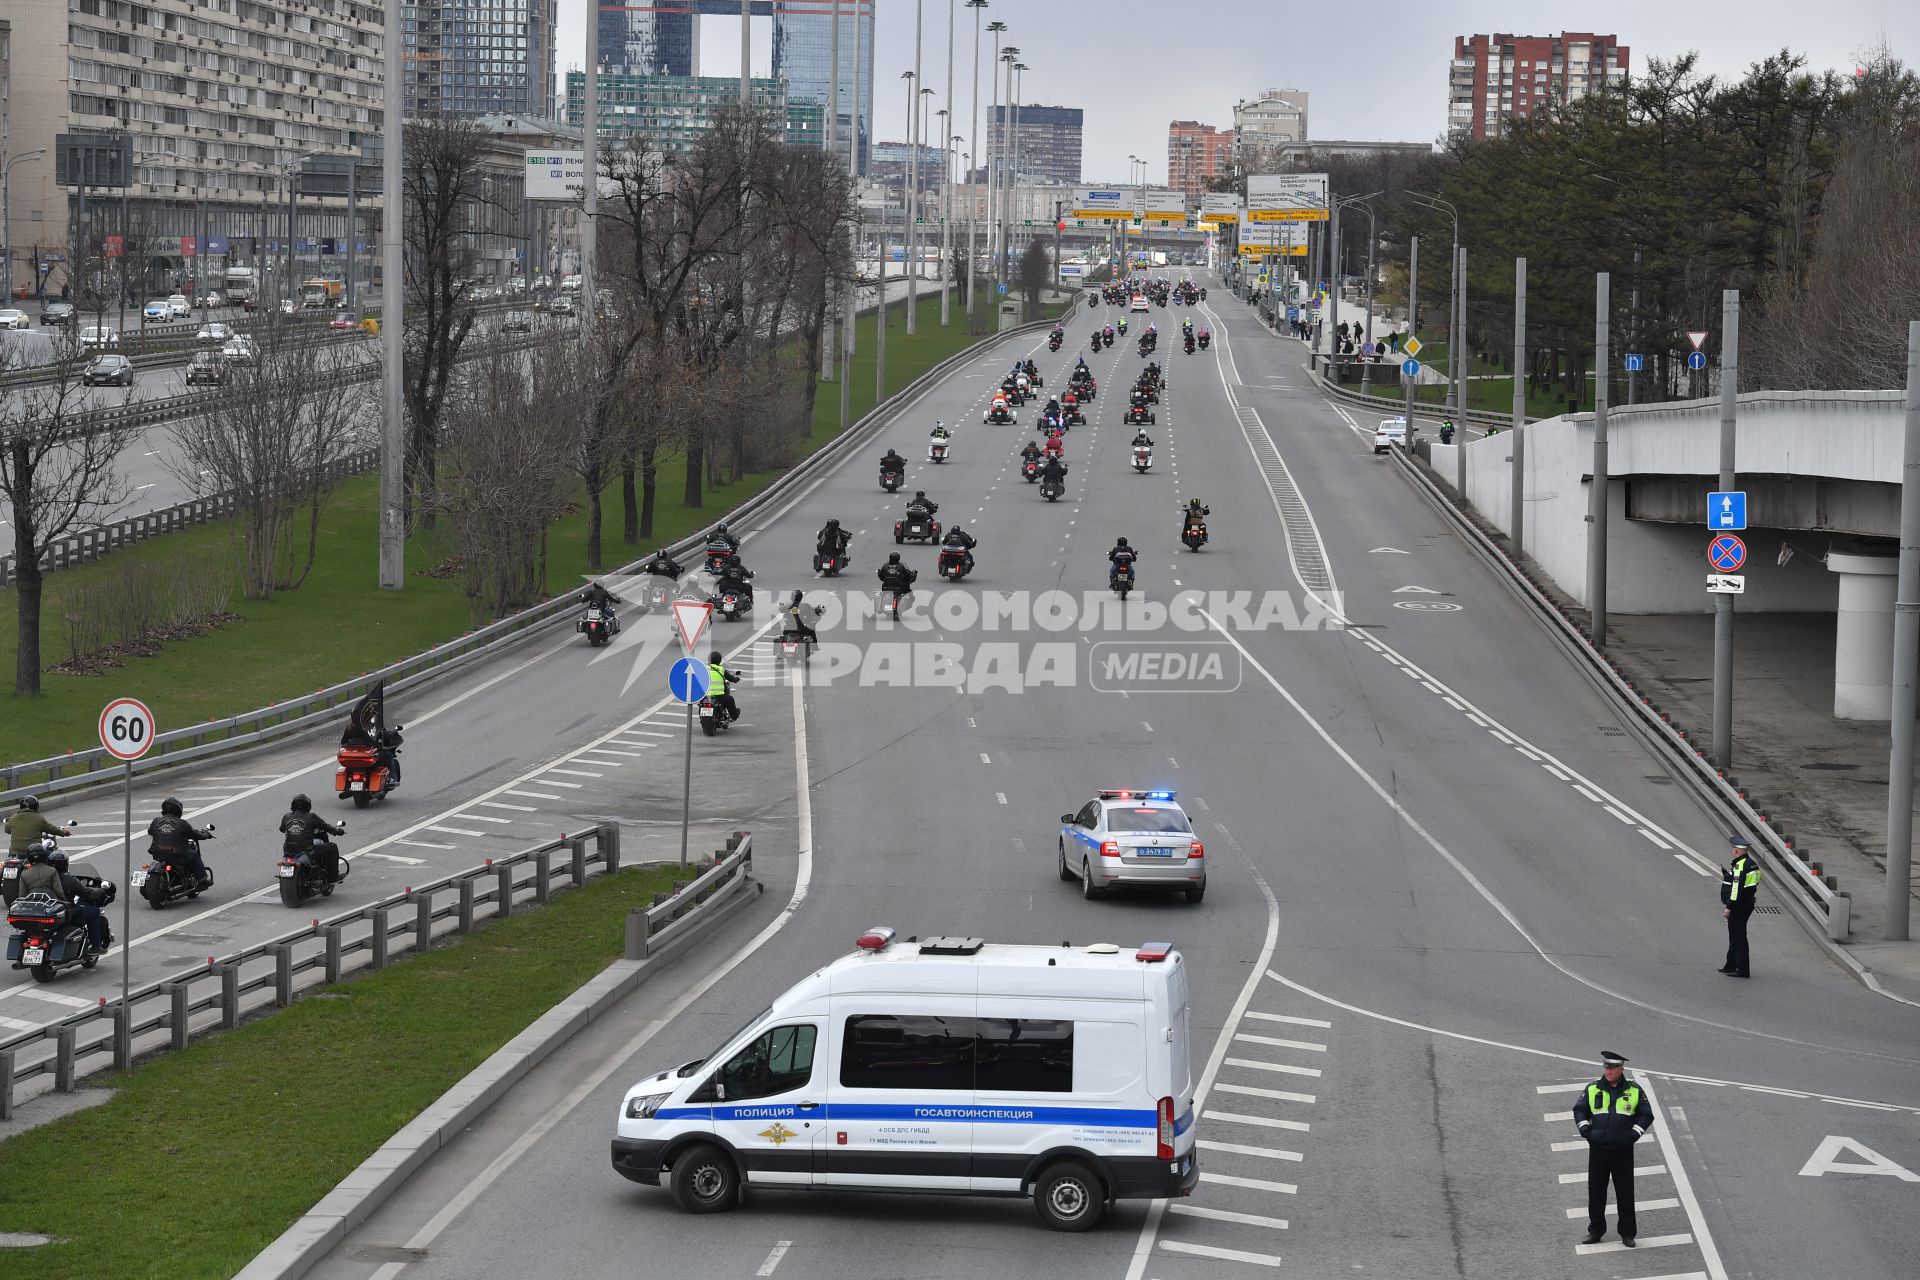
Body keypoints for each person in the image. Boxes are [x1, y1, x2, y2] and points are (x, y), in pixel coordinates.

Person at [1573, 1050, 1655, 1248]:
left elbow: (1646, 1115)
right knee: (1596, 1192)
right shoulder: (1593, 1088)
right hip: (1599, 1150)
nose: (1608, 1071)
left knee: (1625, 1193)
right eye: (1606, 1067)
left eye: (1612, 1068)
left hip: (1622, 1151)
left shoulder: (1634, 1090)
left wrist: (1633, 1135)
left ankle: (1627, 1233)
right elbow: (1579, 1110)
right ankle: (1596, 1231)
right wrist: (1586, 1132)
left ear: (1621, 1069)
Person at [15, 846, 110, 952]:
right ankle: (95, 946)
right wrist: (101, 891)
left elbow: (21, 896)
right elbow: (86, 893)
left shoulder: (28, 874)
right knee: (93, 911)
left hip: (39, 913)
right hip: (61, 915)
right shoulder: (64, 878)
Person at [147, 797, 214, 890]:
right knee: (194, 855)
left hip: (158, 853)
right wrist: (206, 834)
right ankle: (202, 881)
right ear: (178, 810)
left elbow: (150, 831)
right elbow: (195, 834)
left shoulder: (156, 821)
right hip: (177, 854)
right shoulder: (182, 823)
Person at [279, 794, 346, 885]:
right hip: (306, 850)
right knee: (333, 847)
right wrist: (337, 831)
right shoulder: (311, 816)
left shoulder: (286, 817)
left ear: (293, 805)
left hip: (289, 851)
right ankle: (333, 877)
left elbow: (282, 829)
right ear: (308, 806)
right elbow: (326, 827)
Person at [1720, 836, 1761, 977]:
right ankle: (1730, 965)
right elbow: (1754, 883)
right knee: (1735, 935)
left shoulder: (1740, 866)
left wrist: (1729, 907)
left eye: (1733, 849)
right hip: (1748, 904)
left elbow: (1736, 891)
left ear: (1737, 851)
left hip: (1738, 907)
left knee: (1738, 937)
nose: (1733, 851)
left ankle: (1742, 969)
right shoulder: (1752, 864)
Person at [706, 650, 740, 723]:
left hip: (705, 694)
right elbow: (730, 678)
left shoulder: (704, 668)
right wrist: (736, 680)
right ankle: (734, 716)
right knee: (730, 700)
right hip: (719, 694)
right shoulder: (721, 669)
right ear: (719, 660)